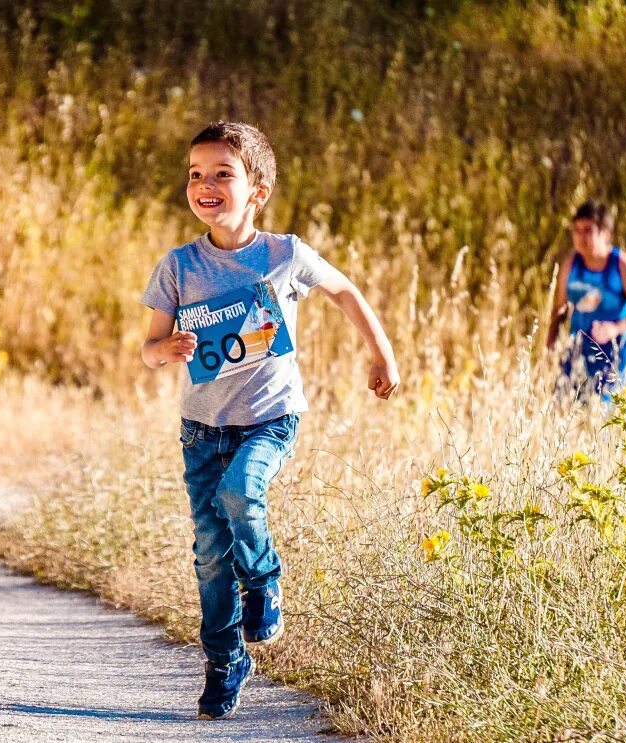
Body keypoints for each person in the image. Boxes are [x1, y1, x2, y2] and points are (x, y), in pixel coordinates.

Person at [141, 121, 400, 720]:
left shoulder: (283, 254)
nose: (205, 185)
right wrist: (168, 350)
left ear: (256, 190)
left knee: (242, 492)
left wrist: (381, 352)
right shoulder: (178, 267)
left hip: (270, 419)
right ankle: (226, 658)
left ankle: (263, 581)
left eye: (222, 175)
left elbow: (344, 292)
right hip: (202, 431)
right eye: (195, 174)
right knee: (208, 553)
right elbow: (150, 347)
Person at [545, 200, 626, 399]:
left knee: (601, 418)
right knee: (562, 408)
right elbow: (560, 309)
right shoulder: (571, 265)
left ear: (605, 233)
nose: (581, 237)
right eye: (576, 230)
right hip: (578, 351)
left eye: (588, 230)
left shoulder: (621, 265)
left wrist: (616, 328)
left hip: (615, 356)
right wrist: (550, 345)